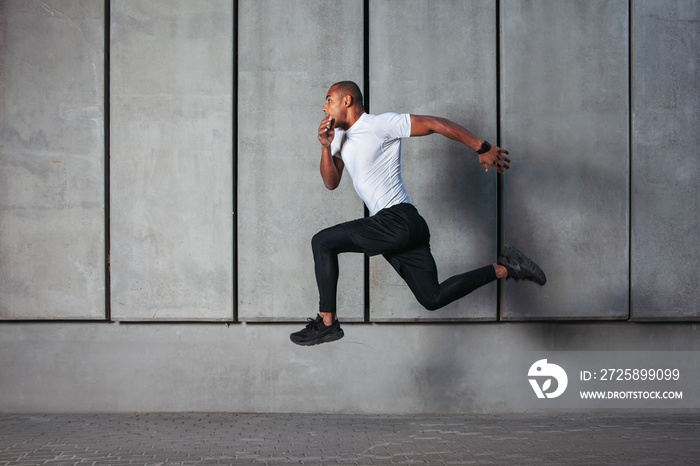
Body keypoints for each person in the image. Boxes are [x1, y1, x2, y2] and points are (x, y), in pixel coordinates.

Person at [290, 81, 545, 346]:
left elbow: (434, 123)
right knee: (431, 298)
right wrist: (325, 146)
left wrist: (481, 147)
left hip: (397, 220)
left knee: (322, 242)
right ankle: (506, 266)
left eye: (329, 100)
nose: (324, 107)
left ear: (347, 101)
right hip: (403, 228)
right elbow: (331, 183)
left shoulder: (379, 125)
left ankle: (327, 323)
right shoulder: (340, 138)